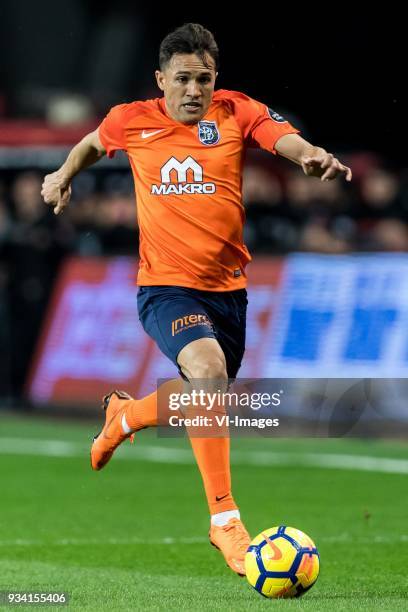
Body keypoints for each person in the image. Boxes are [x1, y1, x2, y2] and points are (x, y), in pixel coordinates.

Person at [41, 23, 352, 576]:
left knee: (207, 397)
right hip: (164, 286)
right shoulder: (130, 120)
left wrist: (309, 155)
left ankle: (126, 416)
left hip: (228, 290)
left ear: (216, 81)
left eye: (203, 79)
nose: (193, 90)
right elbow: (92, 143)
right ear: (161, 80)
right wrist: (64, 174)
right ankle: (225, 522)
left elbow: (284, 137)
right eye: (182, 79)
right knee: (207, 376)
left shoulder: (235, 112)